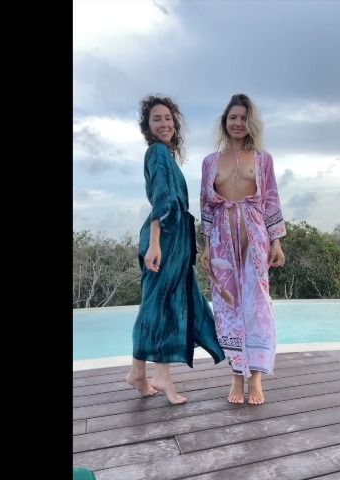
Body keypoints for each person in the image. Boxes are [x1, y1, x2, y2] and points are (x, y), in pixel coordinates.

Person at [126, 95, 226, 405]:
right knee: (164, 305)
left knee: (158, 304)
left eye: (168, 118)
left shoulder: (163, 154)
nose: (164, 124)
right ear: (147, 126)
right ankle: (161, 375)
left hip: (174, 237)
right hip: (166, 238)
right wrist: (156, 242)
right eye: (157, 119)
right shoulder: (158, 152)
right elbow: (162, 198)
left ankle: (139, 373)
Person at [199, 93, 286, 405]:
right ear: (225, 122)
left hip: (255, 239)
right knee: (227, 306)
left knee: (257, 303)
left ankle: (256, 377)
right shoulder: (210, 162)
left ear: (251, 123)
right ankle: (237, 375)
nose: (238, 123)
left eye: (243, 118)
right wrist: (205, 247)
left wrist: (276, 241)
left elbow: (271, 199)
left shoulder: (263, 159)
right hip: (221, 241)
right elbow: (206, 206)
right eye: (233, 117)